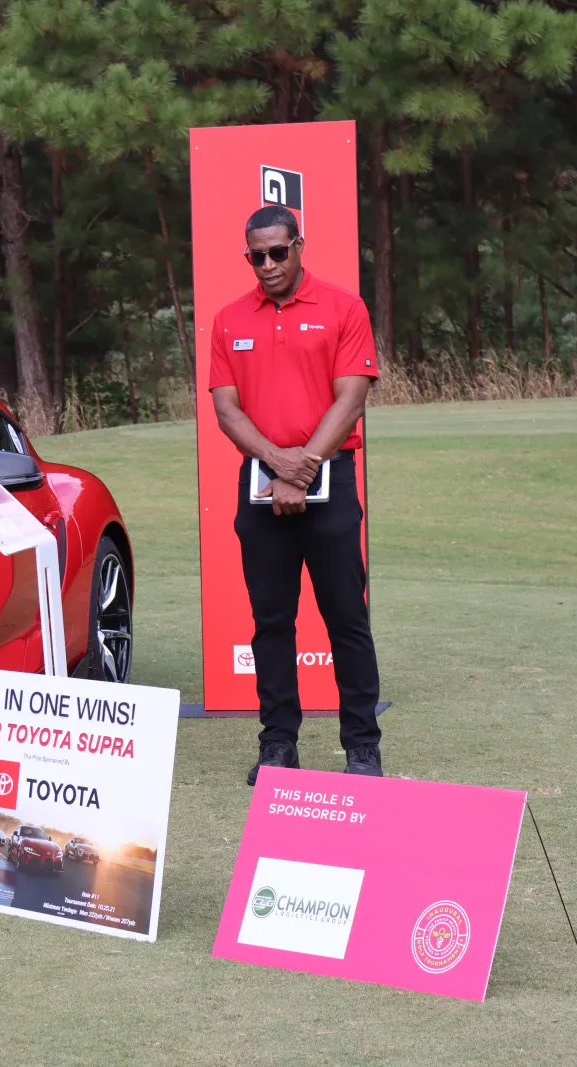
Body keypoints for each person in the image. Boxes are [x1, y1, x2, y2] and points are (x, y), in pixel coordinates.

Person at [208, 204, 383, 784]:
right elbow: (226, 409)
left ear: (299, 245)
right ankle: (278, 744)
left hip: (329, 479)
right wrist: (276, 463)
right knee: (271, 622)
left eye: (278, 252)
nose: (267, 265)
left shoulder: (343, 307)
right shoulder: (230, 319)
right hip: (261, 482)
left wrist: (300, 467)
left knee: (346, 619)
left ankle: (362, 747)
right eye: (256, 256)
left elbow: (351, 397)